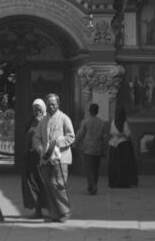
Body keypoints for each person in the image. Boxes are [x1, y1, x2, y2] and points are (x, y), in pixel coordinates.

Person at [35, 93, 75, 222]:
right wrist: (40, 148)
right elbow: (36, 137)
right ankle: (54, 213)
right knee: (48, 185)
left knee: (58, 184)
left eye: (53, 104)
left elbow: (71, 137)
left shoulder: (64, 118)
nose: (51, 106)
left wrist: (58, 141)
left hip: (60, 158)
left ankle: (65, 212)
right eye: (49, 104)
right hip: (46, 157)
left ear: (58, 104)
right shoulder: (43, 120)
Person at [21, 99, 48, 218]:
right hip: (31, 158)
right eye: (35, 109)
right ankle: (38, 210)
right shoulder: (31, 122)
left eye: (39, 109)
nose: (37, 111)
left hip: (43, 158)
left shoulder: (48, 122)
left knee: (45, 184)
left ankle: (52, 209)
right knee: (33, 184)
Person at [75, 103, 109, 195]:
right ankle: (93, 185)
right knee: (96, 168)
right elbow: (105, 138)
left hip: (87, 148)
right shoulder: (102, 123)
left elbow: (80, 134)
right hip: (98, 148)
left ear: (89, 111)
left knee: (89, 168)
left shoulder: (85, 122)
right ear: (97, 111)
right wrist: (104, 149)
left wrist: (74, 143)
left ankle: (92, 185)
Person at [107, 106, 138, 188]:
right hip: (124, 145)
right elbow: (128, 134)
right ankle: (124, 182)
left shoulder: (113, 122)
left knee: (115, 165)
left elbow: (111, 132)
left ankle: (114, 182)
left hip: (114, 145)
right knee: (124, 164)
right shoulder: (124, 123)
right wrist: (123, 134)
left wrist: (117, 134)